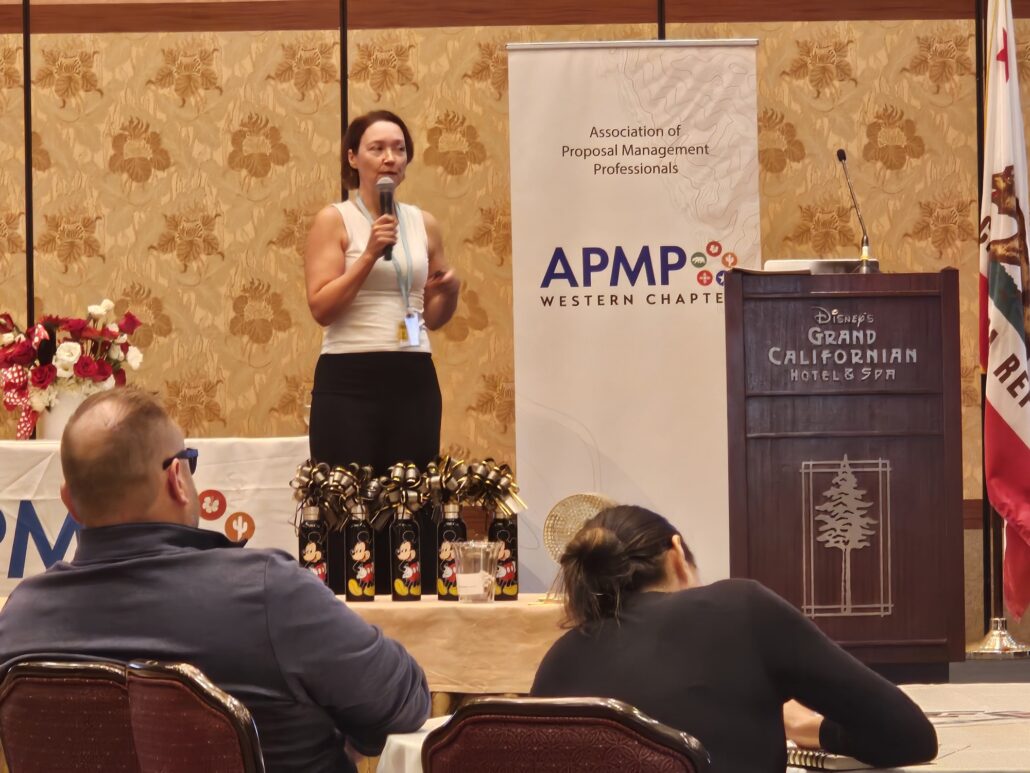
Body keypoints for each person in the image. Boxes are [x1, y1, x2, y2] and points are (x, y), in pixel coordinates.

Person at [0, 389, 430, 773]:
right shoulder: (269, 591)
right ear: (177, 479)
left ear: (69, 502)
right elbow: (403, 703)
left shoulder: (20, 619)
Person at [530, 505, 938, 772]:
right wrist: (807, 728)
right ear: (676, 554)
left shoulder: (556, 664)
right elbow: (908, 736)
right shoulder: (740, 608)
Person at [304, 110, 459, 593]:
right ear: (353, 158)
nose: (390, 157)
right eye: (377, 148)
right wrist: (370, 253)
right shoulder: (335, 220)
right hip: (349, 378)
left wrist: (450, 290)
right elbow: (321, 307)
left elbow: (432, 315)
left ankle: (412, 597)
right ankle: (341, 605)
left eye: (399, 148)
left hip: (412, 373)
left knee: (411, 497)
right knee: (348, 501)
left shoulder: (423, 223)